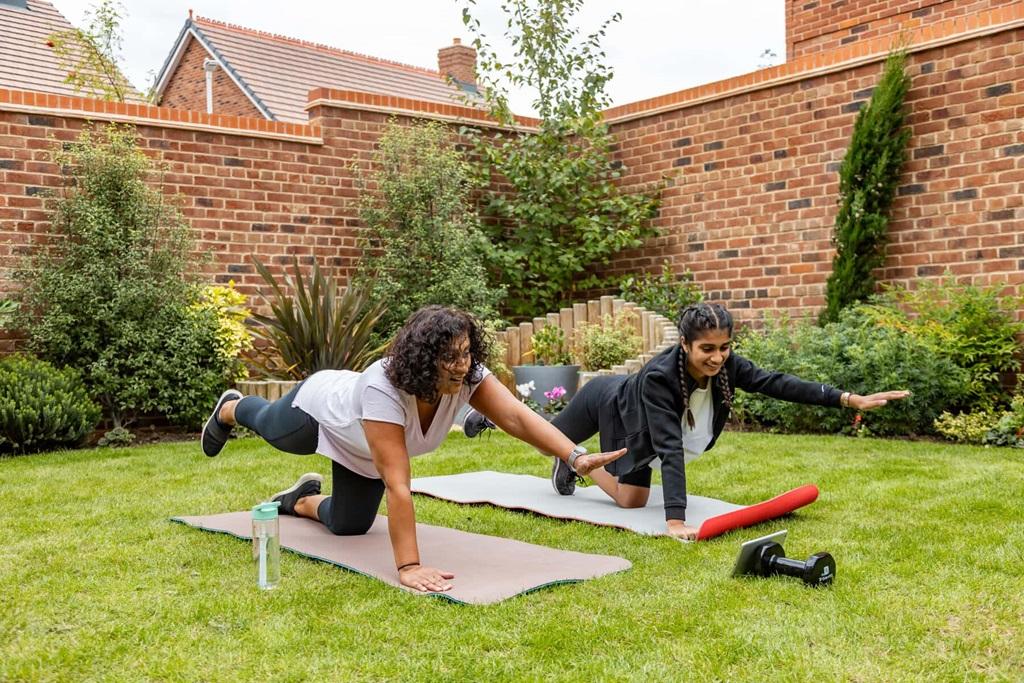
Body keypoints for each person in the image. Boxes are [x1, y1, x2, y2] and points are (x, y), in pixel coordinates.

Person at [200, 305, 626, 593]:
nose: (463, 365)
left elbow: (515, 417)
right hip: (318, 414)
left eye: (466, 353)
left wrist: (573, 456)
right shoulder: (382, 389)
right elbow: (399, 487)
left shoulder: (467, 376)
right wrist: (408, 566)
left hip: (363, 450)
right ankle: (231, 409)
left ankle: (301, 501)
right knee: (273, 427)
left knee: (349, 526)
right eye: (451, 358)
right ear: (423, 360)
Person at [464, 302, 910, 541]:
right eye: (707, 350)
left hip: (630, 411)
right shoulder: (661, 379)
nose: (717, 357)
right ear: (686, 345)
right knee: (546, 441)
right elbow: (669, 447)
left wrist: (848, 398)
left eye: (725, 348)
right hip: (614, 404)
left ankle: (572, 462)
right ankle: (498, 424)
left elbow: (777, 383)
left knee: (630, 501)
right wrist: (675, 519)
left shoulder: (727, 366)